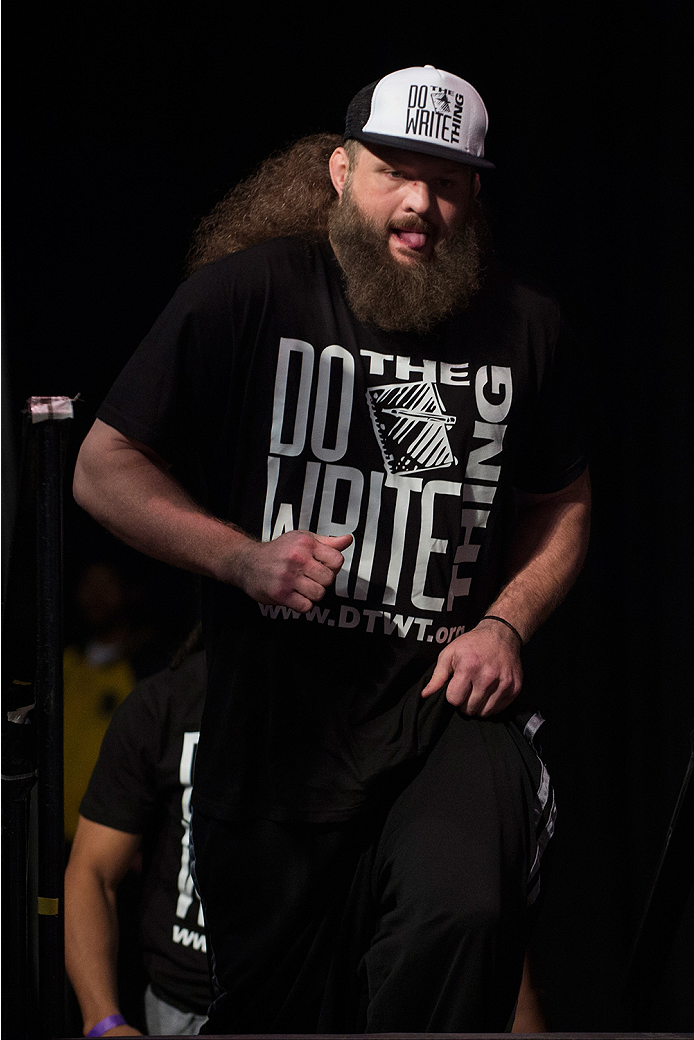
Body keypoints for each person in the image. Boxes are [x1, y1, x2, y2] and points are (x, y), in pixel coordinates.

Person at [73, 65, 591, 1032]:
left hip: (447, 709)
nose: (420, 204)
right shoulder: (247, 296)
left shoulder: (526, 326)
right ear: (340, 171)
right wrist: (240, 559)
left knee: (465, 913)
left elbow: (563, 502)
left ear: (476, 192)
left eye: (446, 180)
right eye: (397, 170)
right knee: (276, 1005)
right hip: (280, 730)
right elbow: (105, 467)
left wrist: (507, 624)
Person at [64, 642, 212, 1036]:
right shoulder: (167, 701)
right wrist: (104, 1021)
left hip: (293, 999)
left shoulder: (328, 702)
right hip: (182, 1003)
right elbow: (91, 871)